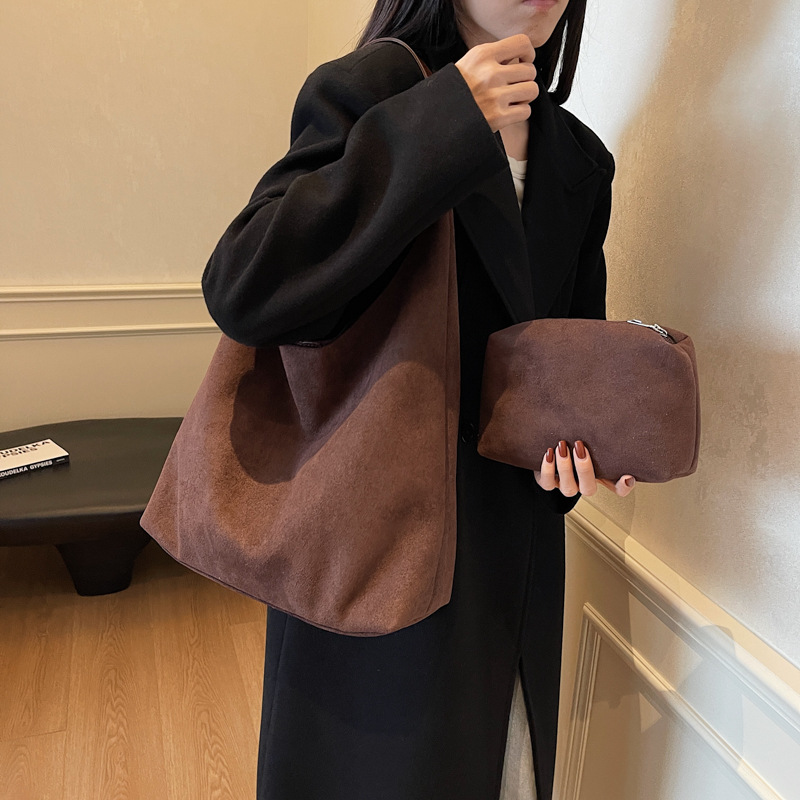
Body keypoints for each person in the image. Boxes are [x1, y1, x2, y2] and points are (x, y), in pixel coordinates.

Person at [201, 1, 635, 798]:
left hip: (505, 566)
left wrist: (572, 458)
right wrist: (444, 123)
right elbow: (246, 285)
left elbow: (561, 360)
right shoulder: (373, 88)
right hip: (371, 549)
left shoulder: (579, 159)